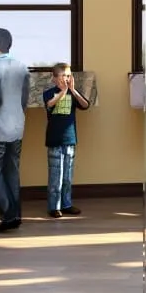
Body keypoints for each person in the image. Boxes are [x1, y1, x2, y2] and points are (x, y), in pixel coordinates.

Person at [0, 27, 29, 233]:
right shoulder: (22, 66)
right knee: (12, 170)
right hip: (17, 125)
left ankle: (8, 215)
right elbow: (24, 98)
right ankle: (16, 215)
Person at [41, 64, 90, 218]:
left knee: (67, 176)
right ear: (54, 78)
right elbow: (50, 104)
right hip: (54, 140)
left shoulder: (73, 94)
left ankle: (66, 204)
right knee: (56, 176)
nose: (66, 79)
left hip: (70, 140)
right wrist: (63, 91)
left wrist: (73, 90)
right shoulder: (49, 93)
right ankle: (54, 207)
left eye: (68, 76)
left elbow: (85, 105)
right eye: (63, 75)